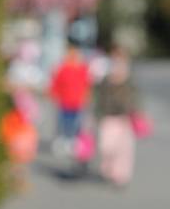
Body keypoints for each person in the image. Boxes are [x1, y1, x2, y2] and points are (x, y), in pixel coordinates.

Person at [95, 46, 139, 186]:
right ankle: (108, 167)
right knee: (106, 147)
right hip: (108, 117)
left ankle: (121, 175)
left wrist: (135, 112)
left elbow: (135, 98)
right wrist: (96, 114)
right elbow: (99, 98)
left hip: (124, 118)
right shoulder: (105, 81)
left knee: (124, 149)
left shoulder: (129, 82)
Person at [49, 42, 91, 155]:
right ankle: (64, 139)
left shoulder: (82, 68)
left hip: (77, 101)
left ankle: (73, 141)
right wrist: (54, 94)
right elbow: (56, 82)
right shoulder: (63, 68)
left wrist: (86, 96)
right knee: (64, 121)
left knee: (76, 122)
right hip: (65, 100)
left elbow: (86, 83)